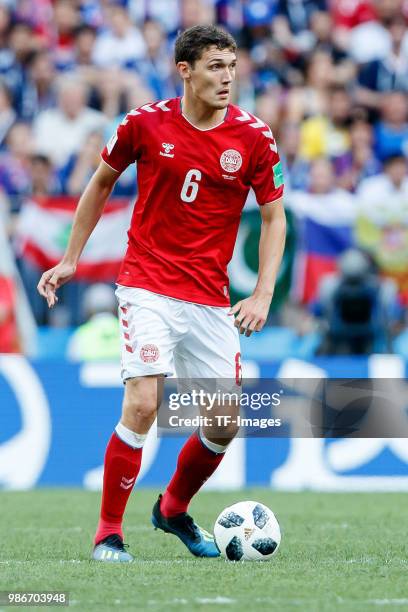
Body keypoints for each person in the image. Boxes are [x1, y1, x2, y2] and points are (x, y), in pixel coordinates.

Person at [37, 25, 286, 563]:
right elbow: (100, 182)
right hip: (147, 284)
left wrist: (263, 292)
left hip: (210, 298)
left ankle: (172, 508)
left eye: (232, 64)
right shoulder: (144, 124)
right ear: (185, 71)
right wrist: (71, 258)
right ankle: (108, 533)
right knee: (144, 402)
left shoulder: (254, 138)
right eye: (215, 66)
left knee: (223, 421)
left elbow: (273, 217)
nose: (227, 76)